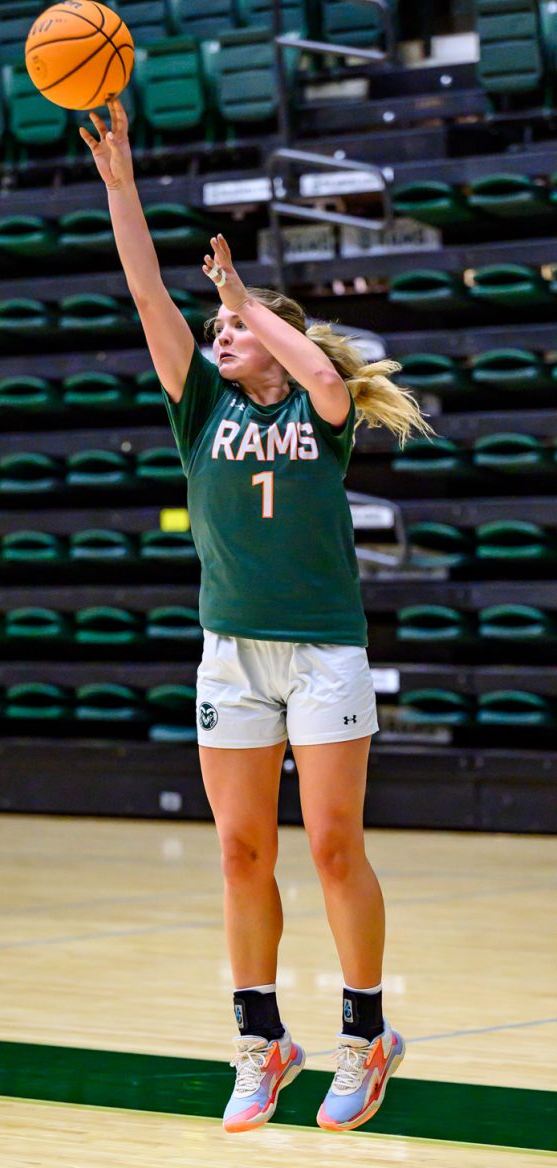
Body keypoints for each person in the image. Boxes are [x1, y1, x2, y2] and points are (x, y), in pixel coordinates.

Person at [80, 98, 435, 1135]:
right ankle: (258, 1039)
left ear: (273, 345)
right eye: (221, 327)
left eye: (235, 329)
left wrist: (246, 294)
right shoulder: (200, 405)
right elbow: (149, 294)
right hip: (231, 652)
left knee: (332, 846)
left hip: (323, 650)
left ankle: (366, 1037)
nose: (219, 334)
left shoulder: (316, 413)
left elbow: (326, 369)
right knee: (241, 850)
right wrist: (121, 188)